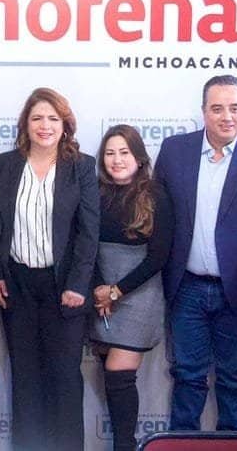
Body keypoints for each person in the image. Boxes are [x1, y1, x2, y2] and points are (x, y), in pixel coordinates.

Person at [154, 74, 237, 431]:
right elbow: (158, 219)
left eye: (234, 108)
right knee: (187, 378)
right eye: (217, 108)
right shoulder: (174, 151)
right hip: (186, 289)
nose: (227, 116)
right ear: (203, 111)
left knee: (235, 380)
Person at [0, 87, 99, 451]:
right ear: (25, 124)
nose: (45, 125)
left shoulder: (81, 166)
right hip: (18, 285)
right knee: (25, 377)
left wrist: (78, 284)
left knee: (64, 377)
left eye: (53, 118)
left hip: (63, 287)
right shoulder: (7, 164)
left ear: (65, 125)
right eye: (37, 117)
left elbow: (89, 231)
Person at [89, 125, 172, 451]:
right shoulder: (94, 194)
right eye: (110, 153)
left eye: (124, 152)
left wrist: (117, 291)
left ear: (138, 157)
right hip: (100, 295)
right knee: (110, 377)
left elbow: (159, 256)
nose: (117, 159)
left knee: (118, 373)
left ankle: (126, 447)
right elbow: (85, 247)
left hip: (139, 294)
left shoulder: (156, 195)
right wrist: (100, 289)